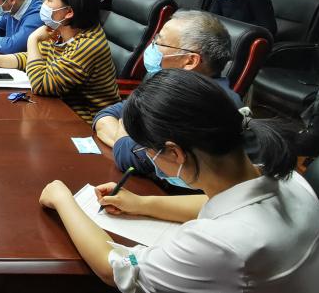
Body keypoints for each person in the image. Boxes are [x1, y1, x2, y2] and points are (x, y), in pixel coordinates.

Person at [39, 69, 319, 292]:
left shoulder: (218, 244)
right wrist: (142, 204)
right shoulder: (290, 180)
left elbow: (114, 269)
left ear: (175, 153)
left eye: (146, 151)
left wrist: (63, 199)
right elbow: (220, 203)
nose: (148, 157)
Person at [94, 10, 245, 176]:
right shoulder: (170, 83)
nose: (152, 47)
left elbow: (130, 158)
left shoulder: (203, 105)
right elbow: (106, 115)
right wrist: (125, 138)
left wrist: (122, 126)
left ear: (190, 60)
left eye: (160, 43)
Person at [0, 0, 120, 122]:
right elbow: (33, 58)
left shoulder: (87, 45)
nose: (44, 4)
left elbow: (40, 84)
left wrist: (33, 39)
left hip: (84, 122)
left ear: (68, 12)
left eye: (49, 0)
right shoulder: (60, 29)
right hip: (56, 109)